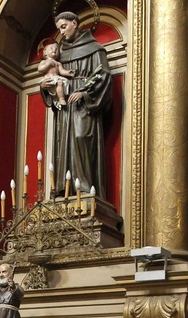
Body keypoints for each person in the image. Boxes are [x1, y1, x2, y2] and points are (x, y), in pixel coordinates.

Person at [39, 11, 112, 201]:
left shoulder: (95, 49)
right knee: (63, 144)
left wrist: (85, 93)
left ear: (74, 23)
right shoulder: (59, 54)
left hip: (83, 104)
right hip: (65, 108)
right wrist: (44, 87)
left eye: (63, 27)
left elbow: (103, 75)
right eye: (59, 29)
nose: (61, 32)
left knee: (81, 138)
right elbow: (51, 75)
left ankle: (87, 191)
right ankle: (66, 191)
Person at [37, 43, 75, 109]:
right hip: (49, 79)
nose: (54, 50)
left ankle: (61, 99)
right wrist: (48, 64)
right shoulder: (44, 61)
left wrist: (68, 73)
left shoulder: (58, 63)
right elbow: (40, 69)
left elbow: (61, 71)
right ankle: (61, 99)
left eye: (56, 49)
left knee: (60, 82)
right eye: (51, 48)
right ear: (45, 52)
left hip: (56, 78)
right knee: (58, 82)